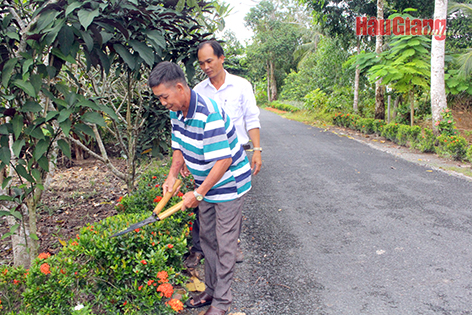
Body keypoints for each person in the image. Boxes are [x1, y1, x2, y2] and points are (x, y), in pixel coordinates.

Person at [149, 61, 252, 315]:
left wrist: (198, 193)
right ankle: (211, 290)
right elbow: (178, 146)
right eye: (159, 98)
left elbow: (224, 160)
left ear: (180, 87)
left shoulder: (208, 113)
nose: (163, 103)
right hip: (205, 183)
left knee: (225, 243)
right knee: (207, 239)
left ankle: (222, 303)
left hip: (229, 184)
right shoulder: (176, 111)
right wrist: (172, 175)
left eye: (164, 97)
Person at [184, 40, 262, 268]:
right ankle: (199, 248)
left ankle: (232, 243)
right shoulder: (198, 91)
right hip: (208, 158)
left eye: (209, 61)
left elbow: (251, 118)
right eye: (201, 63)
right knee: (203, 201)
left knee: (231, 203)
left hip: (236, 157)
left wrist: (257, 150)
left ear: (221, 58)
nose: (206, 67)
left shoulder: (241, 85)